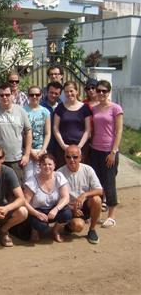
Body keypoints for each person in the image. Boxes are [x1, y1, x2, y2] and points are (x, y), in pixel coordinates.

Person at [90, 80, 123, 228]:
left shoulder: (115, 108)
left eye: (104, 91)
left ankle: (111, 216)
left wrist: (113, 152)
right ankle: (95, 214)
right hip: (95, 150)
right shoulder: (94, 108)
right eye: (99, 91)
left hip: (109, 151)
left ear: (109, 92)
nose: (101, 93)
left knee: (109, 183)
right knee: (96, 183)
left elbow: (119, 131)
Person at [0, 83, 32, 185]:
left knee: (16, 189)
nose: (5, 97)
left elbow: (28, 132)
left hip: (16, 159)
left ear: (13, 95)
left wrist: (27, 154)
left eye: (7, 94)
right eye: (1, 95)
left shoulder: (21, 111)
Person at [58, 145, 103, 244]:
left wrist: (85, 195)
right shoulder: (59, 173)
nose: (72, 160)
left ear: (81, 157)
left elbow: (100, 190)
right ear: (64, 157)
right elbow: (55, 198)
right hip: (69, 207)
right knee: (78, 226)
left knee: (97, 200)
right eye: (68, 157)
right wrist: (71, 208)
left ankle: (92, 229)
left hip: (85, 204)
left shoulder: (88, 169)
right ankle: (69, 225)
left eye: (75, 157)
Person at [24, 154, 72, 243]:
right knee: (42, 227)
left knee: (67, 214)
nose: (47, 167)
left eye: (50, 164)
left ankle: (56, 230)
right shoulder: (32, 181)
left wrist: (56, 209)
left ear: (54, 166)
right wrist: (36, 214)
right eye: (44, 164)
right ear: (40, 166)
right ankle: (35, 229)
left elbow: (66, 197)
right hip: (37, 210)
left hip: (53, 209)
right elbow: (25, 202)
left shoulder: (59, 176)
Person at [53, 81, 92, 168]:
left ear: (76, 91)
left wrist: (79, 147)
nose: (69, 94)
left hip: (81, 147)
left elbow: (88, 130)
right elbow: (55, 128)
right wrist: (63, 146)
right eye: (66, 92)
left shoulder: (85, 108)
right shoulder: (60, 107)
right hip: (63, 147)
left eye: (71, 91)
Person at [24, 86, 51, 181]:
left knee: (42, 178)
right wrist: (30, 151)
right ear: (28, 96)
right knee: (28, 179)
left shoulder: (45, 112)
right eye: (32, 94)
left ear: (41, 96)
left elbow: (47, 133)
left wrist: (43, 150)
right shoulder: (23, 111)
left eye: (37, 94)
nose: (34, 96)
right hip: (27, 151)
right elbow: (21, 134)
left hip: (41, 150)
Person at [41, 81, 63, 155]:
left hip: (59, 144)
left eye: (56, 93)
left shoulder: (63, 107)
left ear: (60, 94)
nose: (53, 95)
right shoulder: (40, 107)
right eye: (51, 92)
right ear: (47, 92)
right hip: (44, 144)